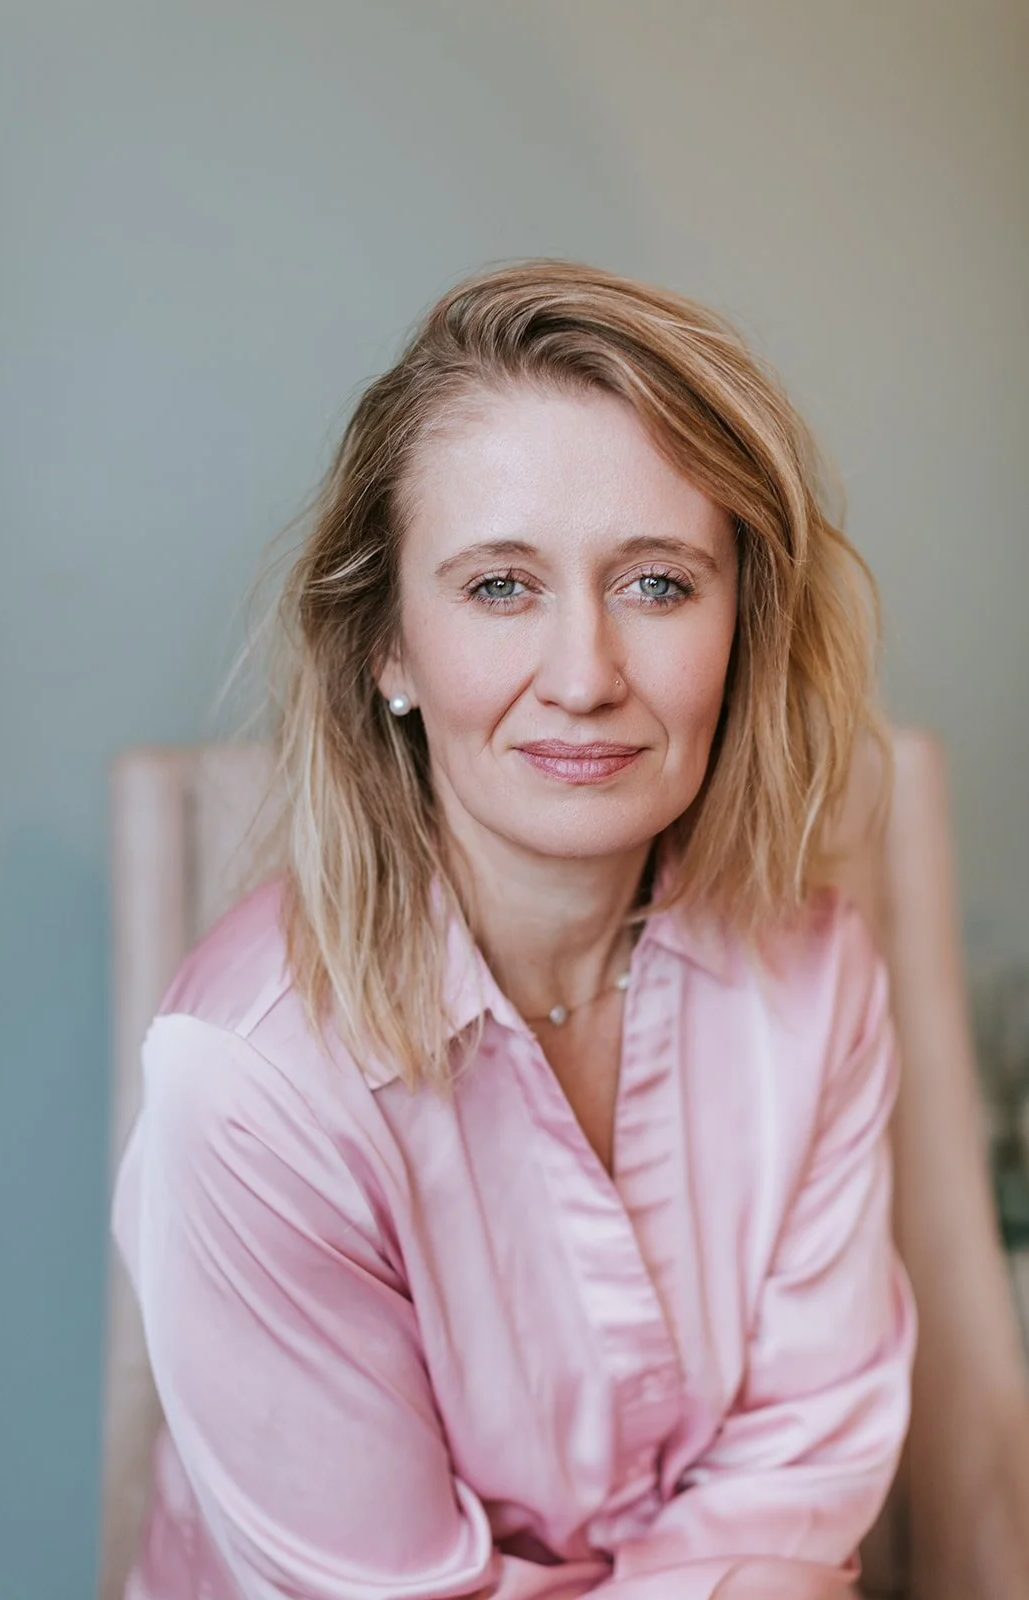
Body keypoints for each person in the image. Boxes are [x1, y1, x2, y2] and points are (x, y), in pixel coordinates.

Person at [112, 260, 915, 1600]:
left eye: (657, 584)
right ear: (388, 649)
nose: (586, 676)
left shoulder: (812, 972)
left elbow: (796, 1486)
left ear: (743, 628)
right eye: (498, 587)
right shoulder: (243, 1086)